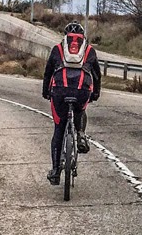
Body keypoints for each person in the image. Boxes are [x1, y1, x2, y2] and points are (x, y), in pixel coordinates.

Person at [42, 21, 102, 185]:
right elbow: (97, 75)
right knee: (80, 110)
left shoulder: (57, 49)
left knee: (59, 129)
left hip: (60, 91)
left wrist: (46, 92)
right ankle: (81, 133)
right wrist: (95, 93)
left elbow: (48, 73)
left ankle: (55, 171)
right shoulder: (89, 51)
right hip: (82, 90)